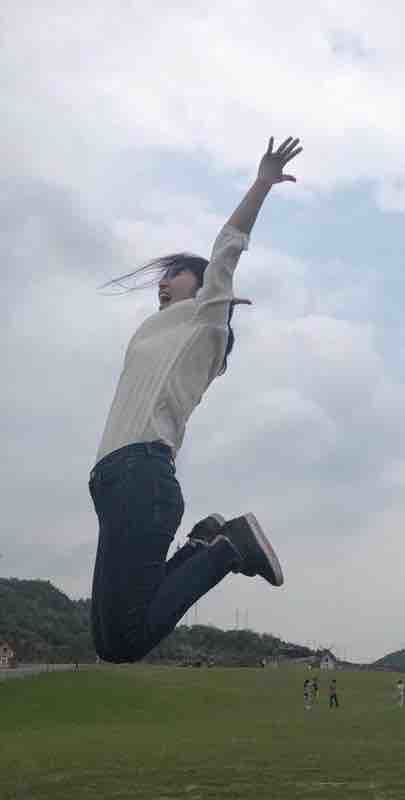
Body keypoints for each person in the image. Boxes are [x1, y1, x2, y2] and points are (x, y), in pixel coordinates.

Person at [89, 136, 303, 663]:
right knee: (110, 641)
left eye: (174, 273)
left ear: (203, 283)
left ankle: (226, 548)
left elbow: (228, 244)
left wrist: (262, 183)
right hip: (113, 482)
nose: (162, 282)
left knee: (125, 642)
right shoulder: (159, 326)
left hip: (142, 476)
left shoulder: (206, 317)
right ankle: (205, 544)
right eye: (161, 277)